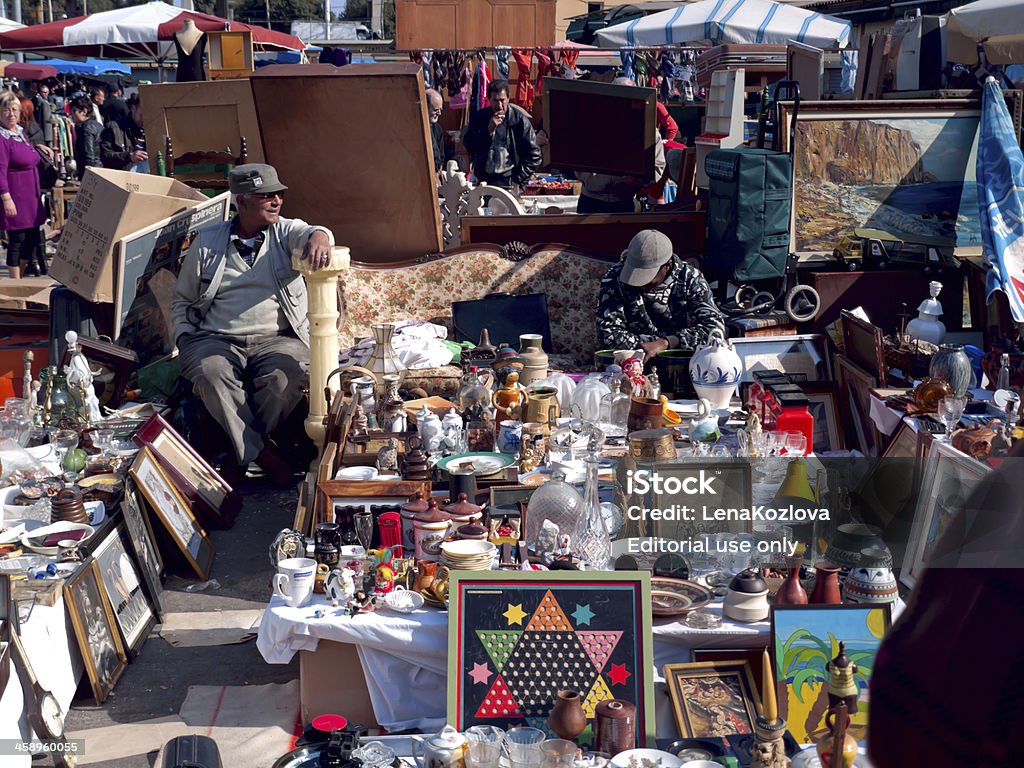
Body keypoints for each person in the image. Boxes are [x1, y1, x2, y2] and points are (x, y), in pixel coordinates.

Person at [171, 163, 334, 487]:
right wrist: (185, 337)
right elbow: (182, 300)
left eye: (279, 194)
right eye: (265, 196)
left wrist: (320, 235)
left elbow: (311, 231)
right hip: (215, 338)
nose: (276, 201)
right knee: (212, 375)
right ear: (241, 201)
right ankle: (266, 457)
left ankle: (237, 457)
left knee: (287, 376)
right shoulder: (207, 242)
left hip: (275, 338)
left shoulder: (284, 232)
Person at [596, 229, 725, 358]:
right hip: (631, 361)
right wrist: (644, 347)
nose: (640, 284)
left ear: (667, 266)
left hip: (679, 361)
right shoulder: (615, 277)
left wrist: (667, 343)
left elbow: (714, 330)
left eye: (647, 279)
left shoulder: (690, 278)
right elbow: (607, 335)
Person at [576, 77, 666, 214]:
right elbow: (577, 160)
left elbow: (657, 165)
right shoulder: (592, 126)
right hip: (591, 200)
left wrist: (638, 181)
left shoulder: (647, 131)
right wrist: (600, 182)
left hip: (623, 203)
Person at [0, 91, 49, 279]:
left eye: (14, 110)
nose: (11, 114)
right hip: (16, 195)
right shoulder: (2, 138)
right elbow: (1, 170)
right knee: (17, 240)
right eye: (6, 110)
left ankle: (20, 276)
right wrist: (6, 198)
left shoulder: (20, 133)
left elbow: (26, 156)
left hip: (31, 195)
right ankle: (14, 283)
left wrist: (37, 149)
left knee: (31, 238)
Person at [462, 79, 541, 192]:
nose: (499, 105)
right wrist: (488, 130)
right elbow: (469, 144)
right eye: (495, 101)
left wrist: (518, 180)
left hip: (509, 182)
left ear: (508, 99)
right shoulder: (480, 117)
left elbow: (535, 155)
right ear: (489, 100)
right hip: (485, 180)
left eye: (502, 100)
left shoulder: (518, 120)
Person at [101, 92, 148, 172]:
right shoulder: (114, 128)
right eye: (141, 115)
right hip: (123, 177)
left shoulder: (152, 129)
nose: (145, 119)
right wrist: (129, 156)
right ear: (133, 109)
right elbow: (105, 156)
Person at [70, 95, 103, 180]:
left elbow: (89, 155)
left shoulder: (87, 128)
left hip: (92, 173)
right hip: (101, 169)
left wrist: (88, 176)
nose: (71, 114)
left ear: (84, 111)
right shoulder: (98, 125)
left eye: (74, 111)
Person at [426, 88, 453, 174]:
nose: (439, 113)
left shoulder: (437, 129)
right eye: (435, 110)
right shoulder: (416, 128)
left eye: (440, 110)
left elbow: (441, 156)